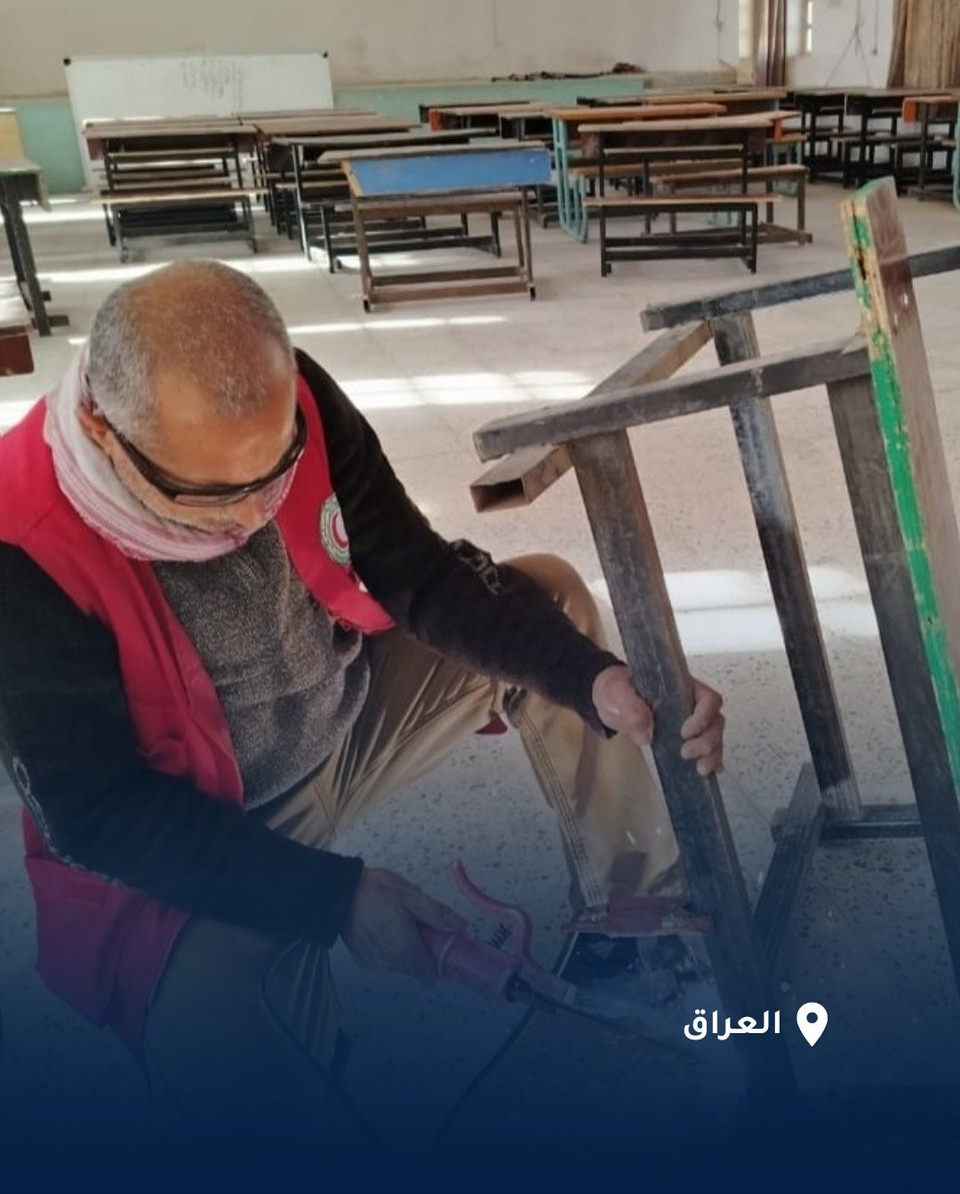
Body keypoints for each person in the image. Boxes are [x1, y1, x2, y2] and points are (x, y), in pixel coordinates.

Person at [0, 261, 723, 1149]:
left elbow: (418, 573)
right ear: (101, 431)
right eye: (214, 498)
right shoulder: (19, 545)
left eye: (275, 475)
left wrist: (594, 680)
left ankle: (636, 925)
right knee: (235, 1074)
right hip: (208, 815)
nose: (254, 517)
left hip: (348, 712)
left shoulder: (296, 399)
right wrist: (332, 897)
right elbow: (98, 815)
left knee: (554, 607)